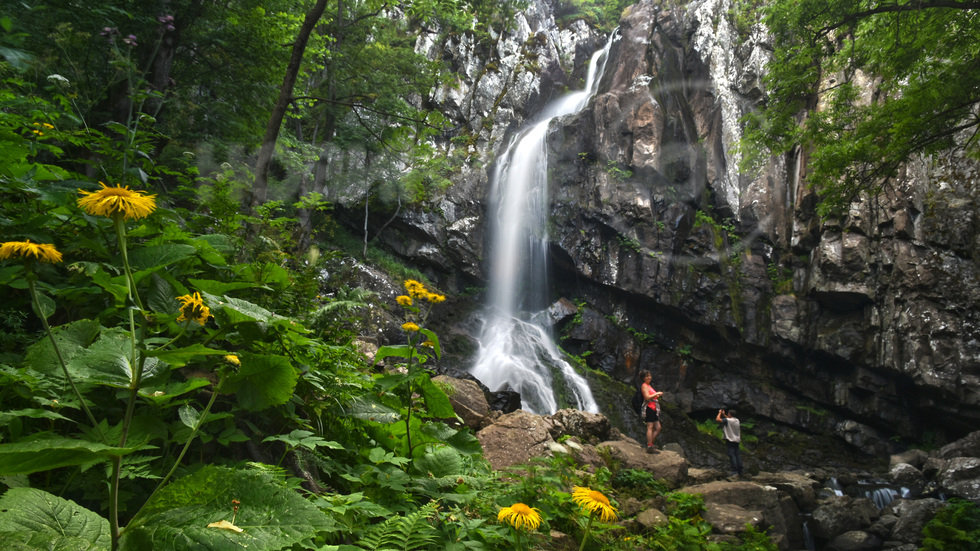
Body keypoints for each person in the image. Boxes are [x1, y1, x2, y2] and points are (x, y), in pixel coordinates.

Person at [638, 370, 664, 454]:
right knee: (650, 427)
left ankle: (650, 444)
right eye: (647, 376)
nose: (649, 377)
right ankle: (649, 446)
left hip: (654, 408)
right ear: (643, 378)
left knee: (658, 427)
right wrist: (656, 393)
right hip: (649, 408)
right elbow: (647, 397)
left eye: (649, 375)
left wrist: (657, 395)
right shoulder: (644, 386)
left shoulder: (649, 385)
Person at [716, 408, 743, 477]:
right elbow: (729, 419)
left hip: (730, 440)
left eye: (728, 414)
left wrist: (719, 413)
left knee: (732, 455)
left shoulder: (729, 420)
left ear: (730, 414)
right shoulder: (737, 420)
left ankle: (735, 472)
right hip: (736, 440)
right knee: (738, 455)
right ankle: (740, 471)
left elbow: (718, 419)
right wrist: (724, 414)